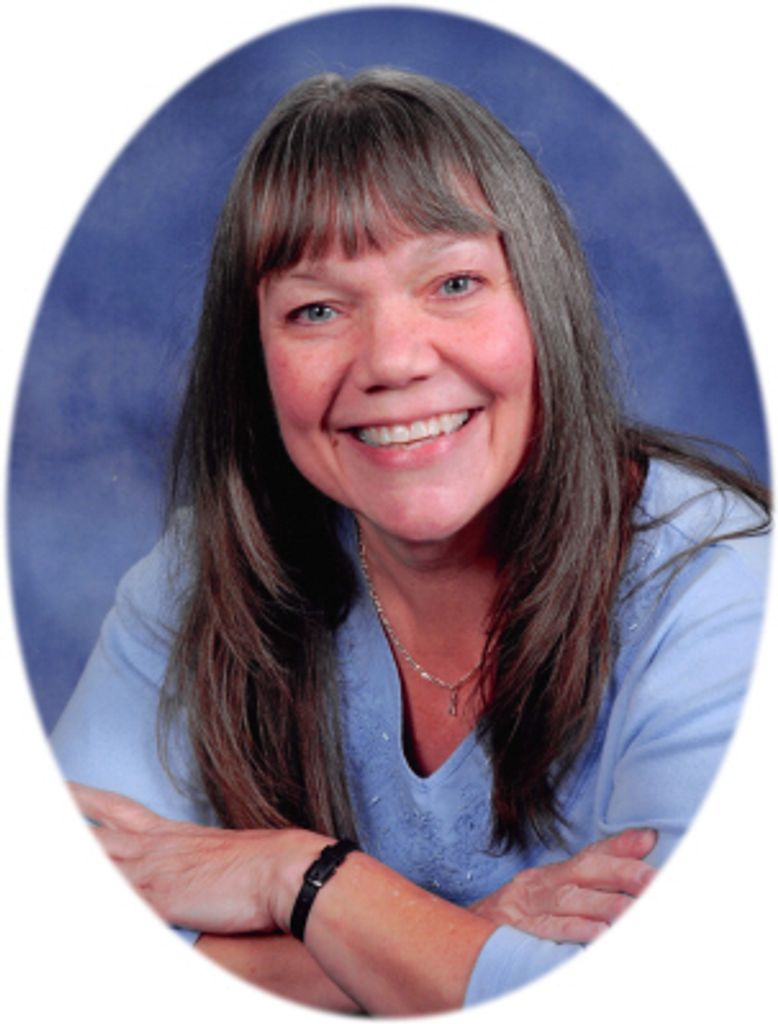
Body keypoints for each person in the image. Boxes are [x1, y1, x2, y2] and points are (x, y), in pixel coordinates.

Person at [52, 68, 770, 1014]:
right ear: (255, 359)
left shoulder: (721, 591)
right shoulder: (201, 582)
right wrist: (460, 938)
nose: (393, 360)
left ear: (543, 304)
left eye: (455, 283)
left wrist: (298, 878)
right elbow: (51, 939)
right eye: (316, 309)